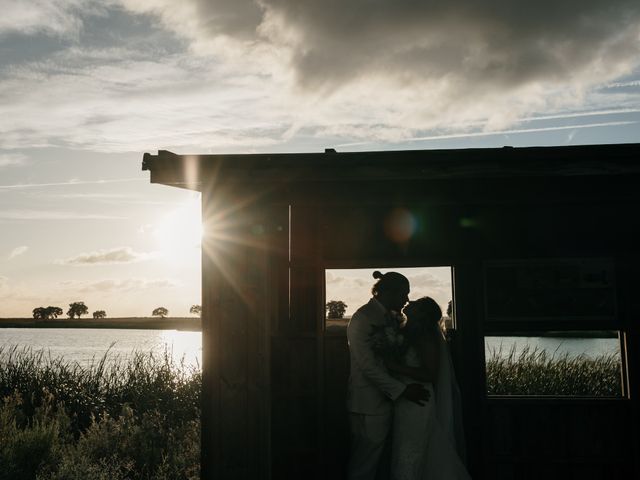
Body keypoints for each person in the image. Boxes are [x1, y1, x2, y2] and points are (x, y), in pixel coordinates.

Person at [347, 271, 431, 480]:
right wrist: (402, 390)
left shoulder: (391, 317)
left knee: (379, 464)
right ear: (388, 292)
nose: (407, 300)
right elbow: (367, 366)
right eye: (404, 294)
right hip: (368, 404)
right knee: (364, 465)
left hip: (388, 402)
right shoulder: (363, 318)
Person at [388, 297, 470, 480]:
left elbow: (430, 374)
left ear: (422, 313)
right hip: (404, 399)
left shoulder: (426, 337)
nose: (409, 302)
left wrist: (393, 367)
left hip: (418, 400)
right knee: (404, 447)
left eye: (416, 303)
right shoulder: (405, 332)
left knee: (413, 448)